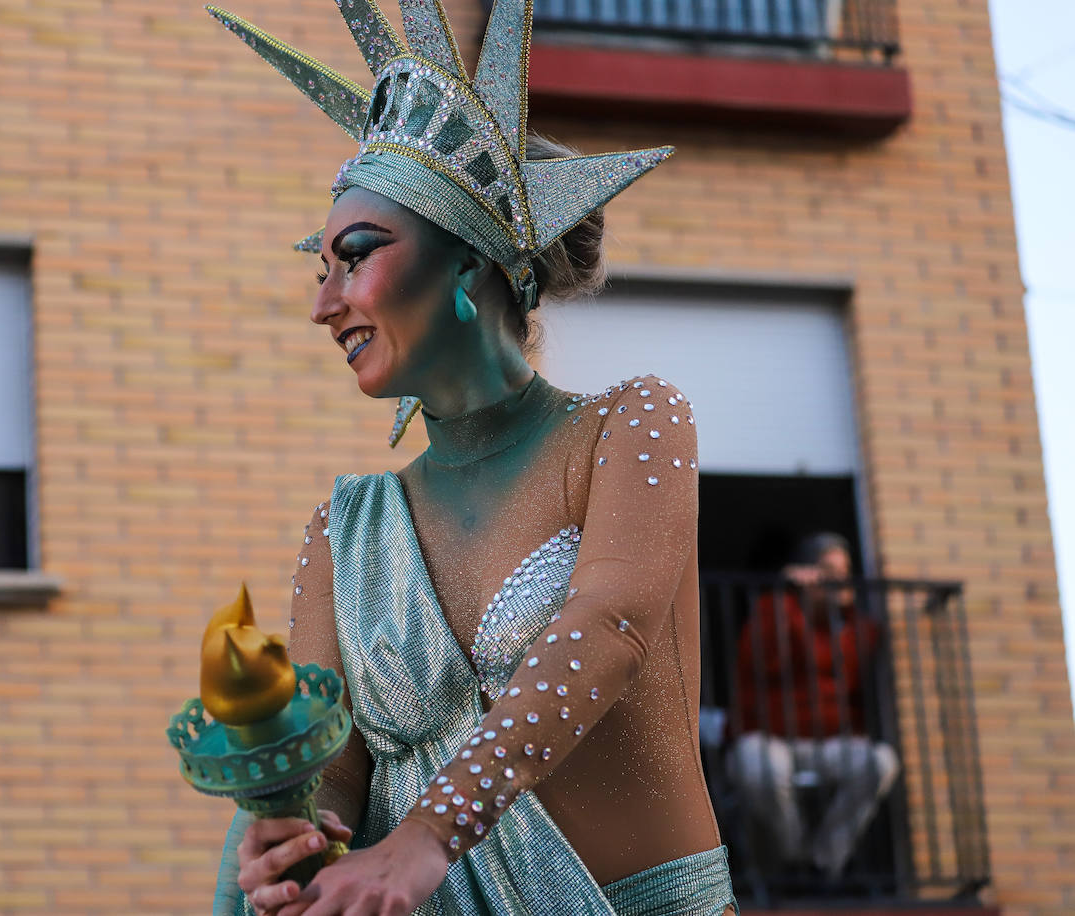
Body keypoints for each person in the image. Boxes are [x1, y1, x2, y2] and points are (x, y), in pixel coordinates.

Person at [204, 1, 737, 913]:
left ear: (467, 265)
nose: (325, 305)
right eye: (319, 271)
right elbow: (339, 765)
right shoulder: (347, 527)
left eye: (356, 257)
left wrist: (430, 837)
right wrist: (297, 828)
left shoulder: (630, 425)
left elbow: (609, 624)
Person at [725, 533, 900, 880]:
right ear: (806, 574)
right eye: (827, 570)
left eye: (844, 571)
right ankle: (794, 860)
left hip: (829, 741)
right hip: (769, 737)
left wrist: (844, 608)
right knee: (760, 768)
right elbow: (763, 660)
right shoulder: (772, 611)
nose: (838, 579)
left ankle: (822, 864)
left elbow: (862, 652)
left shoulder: (854, 627)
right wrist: (788, 597)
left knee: (880, 763)